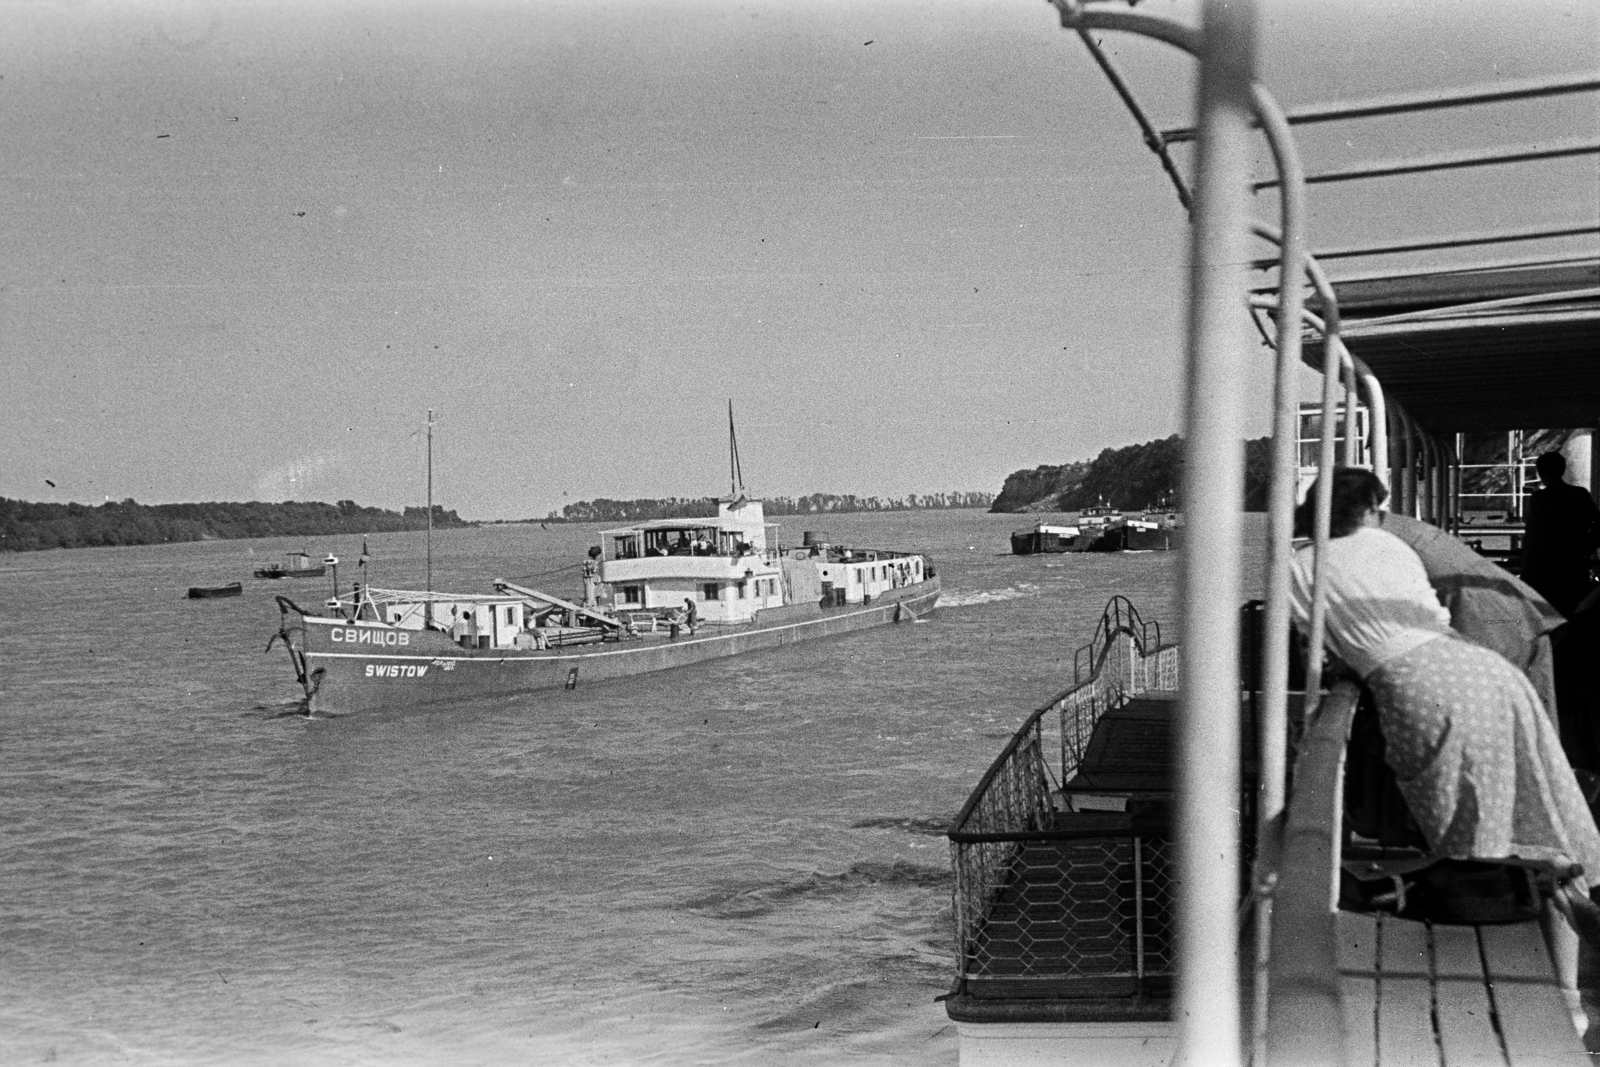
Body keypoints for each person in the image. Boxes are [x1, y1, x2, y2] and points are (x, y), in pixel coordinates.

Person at [1290, 467, 1600, 907]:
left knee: (1463, 816)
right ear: (1367, 508)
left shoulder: (1304, 565)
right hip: (1485, 667)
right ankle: (1574, 902)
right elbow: (1431, 613)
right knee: (1539, 803)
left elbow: (1315, 651)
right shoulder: (1387, 542)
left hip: (1423, 679)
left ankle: (1499, 896)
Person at [1522, 451, 1600, 618]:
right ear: (1563, 469)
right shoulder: (1580, 495)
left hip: (1545, 574)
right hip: (1574, 570)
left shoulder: (1540, 498)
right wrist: (1584, 549)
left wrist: (1527, 574)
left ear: (1540, 472)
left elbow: (1534, 540)